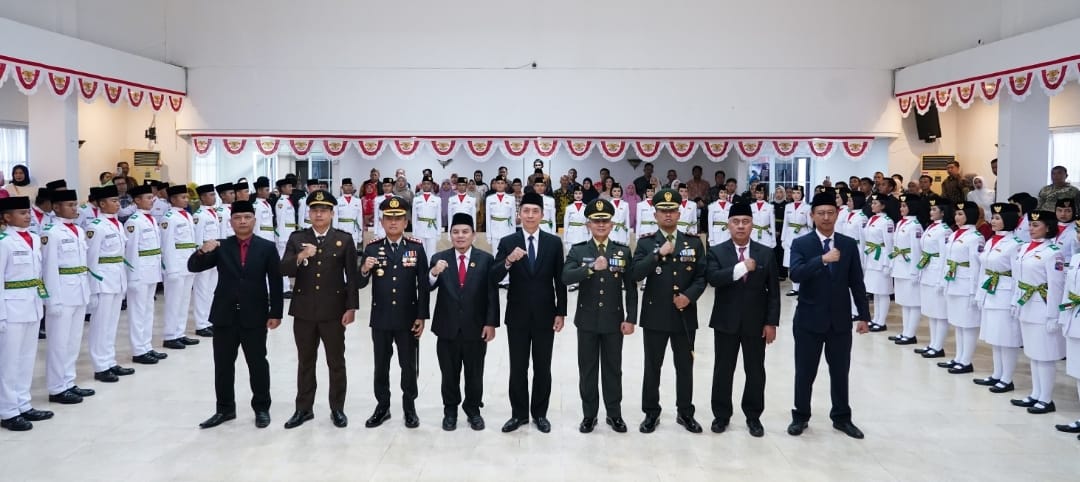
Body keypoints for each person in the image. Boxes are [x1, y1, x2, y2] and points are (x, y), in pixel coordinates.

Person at [187, 200, 283, 429]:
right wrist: (202, 250)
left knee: (257, 364)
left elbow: (275, 282)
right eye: (237, 218)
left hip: (255, 315)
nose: (242, 222)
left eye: (247, 217)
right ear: (230, 222)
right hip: (224, 315)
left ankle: (261, 408)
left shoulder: (267, 247)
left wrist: (276, 312)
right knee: (223, 365)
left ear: (254, 220)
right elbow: (194, 266)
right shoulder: (221, 246)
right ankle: (225, 409)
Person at [787, 190, 871, 439]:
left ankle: (842, 417)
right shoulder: (801, 244)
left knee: (840, 372)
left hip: (840, 321)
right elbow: (795, 274)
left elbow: (856, 282)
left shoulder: (848, 244)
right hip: (808, 320)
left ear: (837, 215)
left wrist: (863, 315)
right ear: (812, 216)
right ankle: (800, 416)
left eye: (830, 213)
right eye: (821, 213)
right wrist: (822, 260)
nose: (826, 218)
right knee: (805, 371)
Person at [280, 190, 359, 429]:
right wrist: (302, 255)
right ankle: (303, 409)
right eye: (314, 210)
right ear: (309, 213)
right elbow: (283, 269)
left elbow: (352, 277)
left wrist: (351, 307)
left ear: (332, 214)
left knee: (336, 362)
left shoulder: (344, 239)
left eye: (324, 210)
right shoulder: (297, 238)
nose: (319, 214)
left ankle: (337, 408)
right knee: (305, 361)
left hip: (333, 312)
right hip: (304, 311)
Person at [630, 189, 707, 434]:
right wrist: (657, 254)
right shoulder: (646, 243)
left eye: (672, 210)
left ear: (679, 213)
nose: (668, 215)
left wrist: (689, 296)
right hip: (655, 315)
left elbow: (702, 276)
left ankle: (685, 412)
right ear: (655, 215)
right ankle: (651, 412)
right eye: (663, 211)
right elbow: (635, 274)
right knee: (653, 366)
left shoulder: (693, 242)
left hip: (684, 315)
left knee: (685, 367)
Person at [490, 192, 567, 433]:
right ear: (519, 214)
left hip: (545, 314)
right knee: (518, 367)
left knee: (543, 367)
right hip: (518, 315)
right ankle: (519, 414)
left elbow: (560, 280)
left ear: (542, 215)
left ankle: (540, 414)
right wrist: (508, 261)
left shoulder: (553, 243)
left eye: (535, 211)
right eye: (526, 211)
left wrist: (561, 312)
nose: (530, 215)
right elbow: (493, 276)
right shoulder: (508, 241)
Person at [705, 202, 780, 437]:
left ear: (752, 224)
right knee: (723, 370)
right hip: (725, 321)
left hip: (756, 323)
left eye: (745, 222)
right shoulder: (717, 251)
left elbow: (774, 292)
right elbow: (714, 278)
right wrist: (742, 268)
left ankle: (753, 416)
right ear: (728, 225)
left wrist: (771, 323)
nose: (740, 226)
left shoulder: (765, 252)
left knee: (755, 370)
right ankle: (721, 415)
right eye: (736, 222)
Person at [563, 199, 637, 434]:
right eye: (596, 221)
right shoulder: (579, 250)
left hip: (614, 321)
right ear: (588, 225)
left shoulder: (622, 251)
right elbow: (566, 277)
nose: (601, 225)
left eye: (605, 221)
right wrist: (590, 268)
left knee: (613, 369)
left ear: (612, 224)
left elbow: (631, 288)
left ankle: (614, 414)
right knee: (588, 369)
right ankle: (589, 415)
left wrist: (631, 318)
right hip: (587, 321)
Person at [358, 196, 429, 429]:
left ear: (406, 222)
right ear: (381, 221)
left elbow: (423, 286)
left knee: (408, 365)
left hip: (408, 318)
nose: (393, 222)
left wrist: (421, 316)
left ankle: (409, 407)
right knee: (381, 366)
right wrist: (364, 269)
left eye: (398, 218)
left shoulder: (416, 248)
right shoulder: (372, 247)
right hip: (381, 318)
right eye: (388, 218)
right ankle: (382, 407)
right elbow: (360, 283)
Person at [428, 213, 499, 431]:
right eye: (456, 232)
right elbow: (427, 286)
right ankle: (450, 411)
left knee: (474, 373)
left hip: (475, 328)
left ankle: (473, 410)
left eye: (465, 232)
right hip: (447, 328)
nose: (460, 236)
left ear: (473, 235)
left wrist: (491, 323)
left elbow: (492, 294)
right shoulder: (439, 258)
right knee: (449, 374)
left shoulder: (486, 259)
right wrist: (434, 272)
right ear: (450, 235)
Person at [0, 196, 55, 431]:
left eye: (27, 212)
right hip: (11, 308)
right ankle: (8, 410)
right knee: (9, 361)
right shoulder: (4, 242)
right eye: (21, 213)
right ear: (7, 217)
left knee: (26, 358)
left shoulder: (33, 238)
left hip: (32, 304)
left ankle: (23, 403)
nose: (27, 216)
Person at [40, 189, 95, 404]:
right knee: (59, 343)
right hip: (62, 293)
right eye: (70, 205)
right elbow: (49, 268)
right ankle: (56, 387)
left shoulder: (78, 231)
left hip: (78, 291)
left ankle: (69, 381)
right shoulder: (51, 233)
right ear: (56, 207)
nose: (75, 208)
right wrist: (51, 300)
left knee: (73, 341)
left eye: (75, 204)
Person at [1010, 210, 1066, 415]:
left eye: (1036, 225)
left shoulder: (1053, 252)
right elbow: (1019, 278)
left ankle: (1046, 398)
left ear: (1048, 228)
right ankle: (1036, 393)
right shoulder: (1025, 248)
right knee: (1033, 353)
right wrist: (1015, 301)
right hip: (1026, 305)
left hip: (1042, 307)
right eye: (1030, 225)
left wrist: (1053, 315)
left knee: (1045, 355)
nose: (1031, 229)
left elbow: (1056, 286)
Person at [972, 203, 1024, 393]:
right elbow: (983, 269)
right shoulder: (991, 241)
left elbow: (1018, 275)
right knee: (994, 336)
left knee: (1007, 338)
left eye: (997, 218)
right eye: (993, 217)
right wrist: (979, 293)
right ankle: (997, 374)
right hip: (990, 292)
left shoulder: (1015, 244)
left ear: (1007, 220)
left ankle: (1007, 378)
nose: (993, 221)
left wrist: (1016, 300)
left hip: (1005, 293)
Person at [937, 202, 985, 374]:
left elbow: (976, 266)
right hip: (953, 282)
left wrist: (974, 291)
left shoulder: (975, 237)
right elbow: (947, 260)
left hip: (966, 284)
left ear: (969, 216)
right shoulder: (954, 234)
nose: (957, 217)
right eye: (956, 214)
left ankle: (966, 361)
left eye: (961, 214)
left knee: (968, 324)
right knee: (957, 322)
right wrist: (944, 282)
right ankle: (958, 357)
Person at [123, 184, 168, 366]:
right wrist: (132, 277)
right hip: (140, 272)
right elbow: (131, 252)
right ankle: (138, 350)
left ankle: (146, 346)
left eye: (152, 197)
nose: (152, 201)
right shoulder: (134, 222)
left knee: (148, 310)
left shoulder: (150, 220)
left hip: (151, 270)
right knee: (138, 312)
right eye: (148, 198)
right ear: (137, 200)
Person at [159, 185, 201, 350]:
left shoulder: (187, 215)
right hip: (176, 264)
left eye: (187, 197)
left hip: (188, 263)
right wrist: (170, 269)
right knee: (173, 301)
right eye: (183, 197)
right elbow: (167, 245)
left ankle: (179, 333)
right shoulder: (169, 218)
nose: (186, 200)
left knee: (184, 301)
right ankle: (170, 336)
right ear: (173, 199)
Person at [915, 197, 954, 358]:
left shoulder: (945, 230)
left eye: (934, 210)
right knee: (931, 311)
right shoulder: (931, 227)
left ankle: (938, 346)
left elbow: (945, 257)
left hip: (937, 271)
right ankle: (932, 343)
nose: (931, 212)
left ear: (943, 213)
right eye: (931, 209)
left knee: (939, 312)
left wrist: (941, 280)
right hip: (927, 270)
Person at [889, 194, 928, 345]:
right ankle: (905, 331)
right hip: (899, 266)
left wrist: (915, 271)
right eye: (901, 206)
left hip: (909, 267)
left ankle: (911, 334)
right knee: (904, 302)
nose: (901, 208)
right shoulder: (901, 223)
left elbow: (916, 250)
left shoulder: (915, 225)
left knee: (913, 302)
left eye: (904, 206)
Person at [1055, 222, 1080, 436]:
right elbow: (1068, 292)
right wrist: (1063, 315)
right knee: (1078, 371)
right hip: (1074, 317)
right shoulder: (1077, 259)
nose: (1078, 235)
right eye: (1078, 231)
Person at [191, 185, 222, 339]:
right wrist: (200, 256)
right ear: (202, 197)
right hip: (204, 255)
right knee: (201, 289)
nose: (214, 197)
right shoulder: (199, 215)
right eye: (210, 195)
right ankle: (201, 324)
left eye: (214, 194)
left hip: (215, 254)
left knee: (211, 289)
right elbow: (197, 238)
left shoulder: (213, 213)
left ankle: (209, 320)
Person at [781, 186, 812, 296]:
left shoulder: (807, 207)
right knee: (791, 263)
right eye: (794, 193)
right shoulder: (788, 206)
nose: (796, 195)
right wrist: (783, 239)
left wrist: (810, 240)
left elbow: (810, 225)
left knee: (802, 262)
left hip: (803, 234)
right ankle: (795, 288)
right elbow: (785, 223)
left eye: (798, 193)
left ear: (802, 194)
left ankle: (803, 287)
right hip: (789, 236)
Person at [485, 176, 516, 266]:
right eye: (498, 183)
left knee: (508, 255)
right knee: (495, 254)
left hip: (507, 230)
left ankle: (507, 274)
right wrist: (489, 236)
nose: (500, 185)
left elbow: (513, 219)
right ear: (495, 184)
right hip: (494, 230)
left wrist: (513, 235)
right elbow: (488, 218)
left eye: (502, 183)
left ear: (506, 185)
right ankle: (496, 273)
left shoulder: (511, 199)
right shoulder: (489, 198)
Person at [274, 179, 296, 295]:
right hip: (284, 235)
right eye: (289, 186)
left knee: (287, 261)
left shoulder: (287, 200)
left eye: (291, 186)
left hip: (289, 233)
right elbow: (281, 220)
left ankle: (286, 286)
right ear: (282, 188)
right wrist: (281, 238)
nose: (291, 188)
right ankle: (283, 288)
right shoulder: (281, 202)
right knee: (283, 260)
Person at [412, 176, 443, 261]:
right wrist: (414, 232)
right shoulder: (416, 199)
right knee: (420, 253)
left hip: (432, 229)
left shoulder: (437, 199)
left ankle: (431, 268)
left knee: (432, 253)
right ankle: (421, 269)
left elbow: (438, 217)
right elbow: (414, 217)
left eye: (428, 184)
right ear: (422, 185)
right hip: (419, 229)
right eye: (424, 184)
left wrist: (438, 232)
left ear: (432, 185)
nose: (426, 185)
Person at [334, 178, 363, 249]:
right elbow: (335, 218)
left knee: (353, 252)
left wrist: (360, 234)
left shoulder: (358, 201)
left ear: (352, 187)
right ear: (342, 187)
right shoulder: (337, 201)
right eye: (346, 185)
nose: (348, 187)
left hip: (354, 230)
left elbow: (360, 218)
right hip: (341, 230)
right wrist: (335, 233)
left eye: (350, 185)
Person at [563, 186, 589, 254]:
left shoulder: (586, 207)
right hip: (572, 234)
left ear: (583, 194)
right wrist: (565, 238)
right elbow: (566, 224)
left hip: (583, 234)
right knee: (571, 254)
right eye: (576, 193)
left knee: (583, 254)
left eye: (580, 193)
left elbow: (589, 223)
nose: (578, 195)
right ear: (573, 194)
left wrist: (590, 237)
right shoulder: (569, 208)